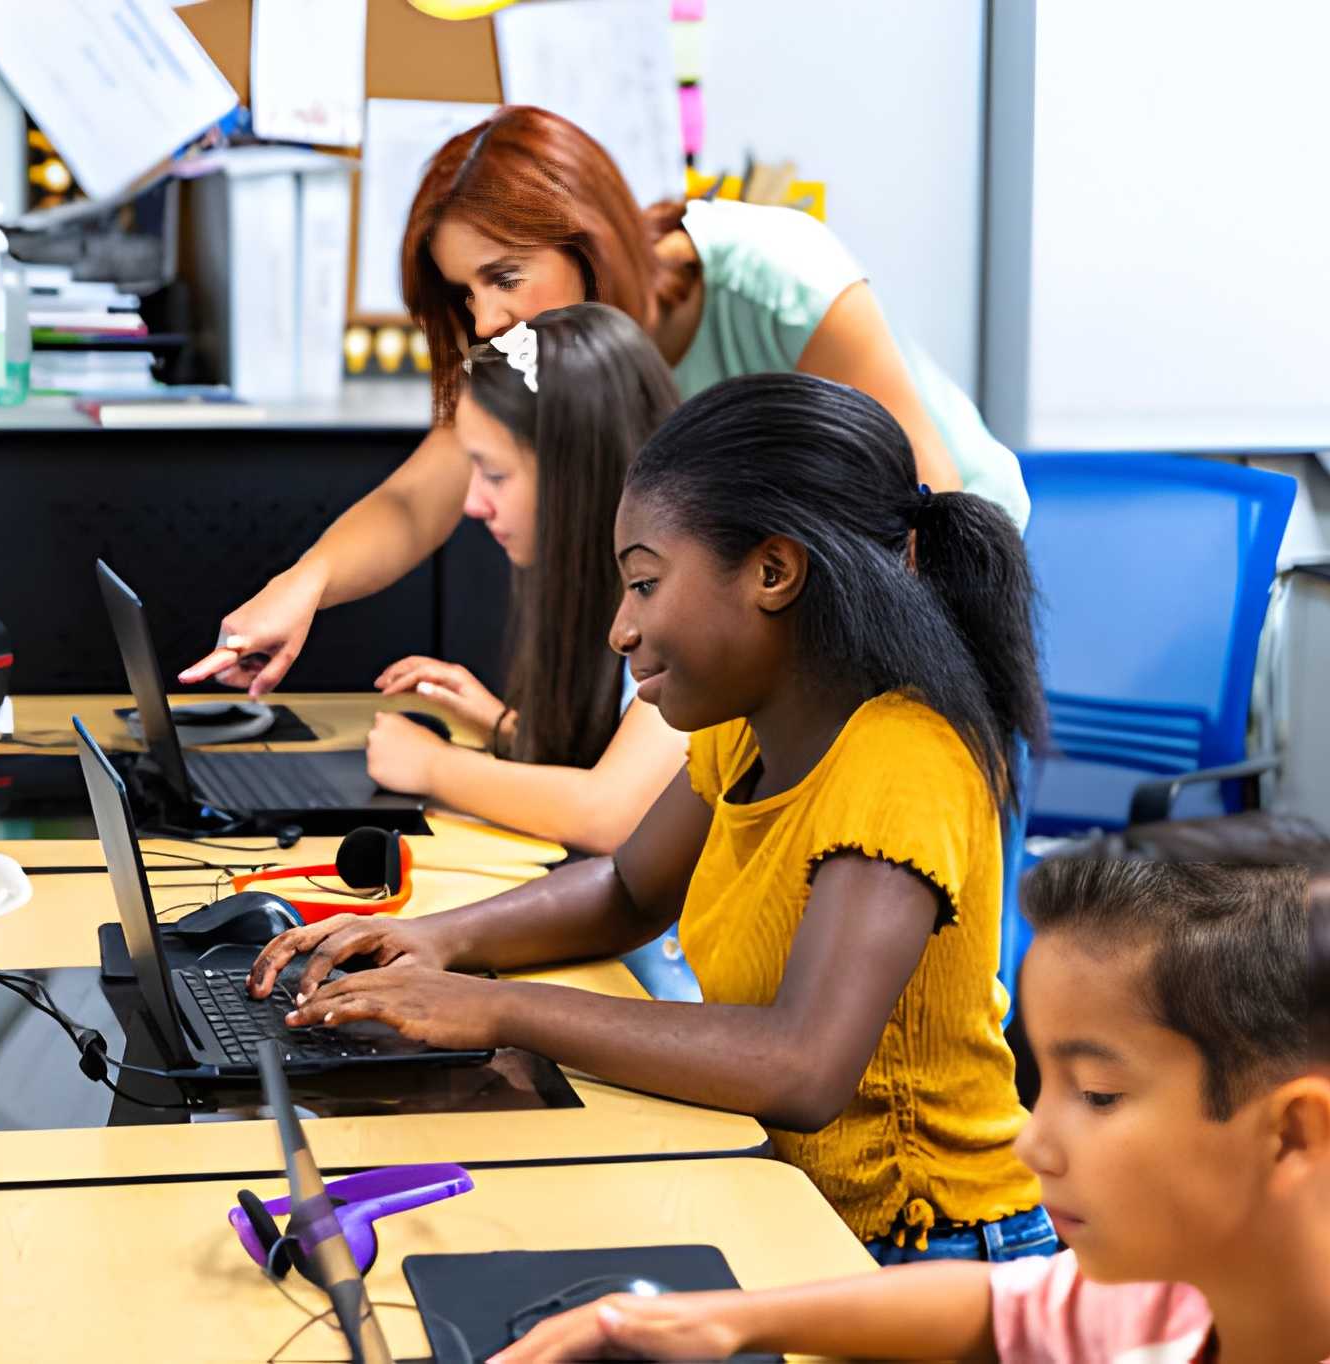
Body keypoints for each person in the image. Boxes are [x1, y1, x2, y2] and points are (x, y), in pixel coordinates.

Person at [246, 373, 1049, 1258]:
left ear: (773, 572)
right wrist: (434, 941)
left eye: (645, 584)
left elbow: (802, 1065)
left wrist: (497, 1009)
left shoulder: (901, 756)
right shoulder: (750, 727)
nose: (621, 631)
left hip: (925, 1244)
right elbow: (629, 890)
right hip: (792, 1199)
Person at [491, 861, 1330, 1364]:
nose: (1031, 1138)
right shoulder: (1185, 1286)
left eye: (1097, 1095)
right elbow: (995, 1304)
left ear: (1292, 1133)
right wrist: (720, 1320)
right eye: (1041, 1082)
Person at [184, 105, 1027, 698]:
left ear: (584, 241)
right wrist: (302, 584)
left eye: (504, 277)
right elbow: (419, 497)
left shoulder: (777, 276)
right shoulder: (542, 359)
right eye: (465, 295)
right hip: (773, 600)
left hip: (942, 564)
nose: (486, 319)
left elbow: (926, 499)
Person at [361, 303, 685, 856]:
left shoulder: (691, 600)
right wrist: (502, 726)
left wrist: (434, 766)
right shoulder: (615, 582)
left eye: (494, 473)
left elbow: (612, 813)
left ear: (574, 473)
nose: (472, 503)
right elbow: (631, 764)